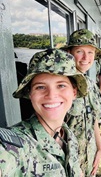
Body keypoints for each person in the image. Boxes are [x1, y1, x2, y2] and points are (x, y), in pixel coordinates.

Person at [0, 48, 87, 176]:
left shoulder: (68, 136)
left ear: (74, 92)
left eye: (61, 85)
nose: (51, 95)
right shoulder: (16, 146)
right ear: (30, 94)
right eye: (40, 87)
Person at [61, 29, 101, 176]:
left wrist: (99, 148)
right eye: (80, 51)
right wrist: (73, 166)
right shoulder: (60, 86)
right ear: (69, 52)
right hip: (68, 165)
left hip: (89, 157)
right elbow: (53, 132)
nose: (86, 57)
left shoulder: (91, 85)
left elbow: (93, 119)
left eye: (91, 52)